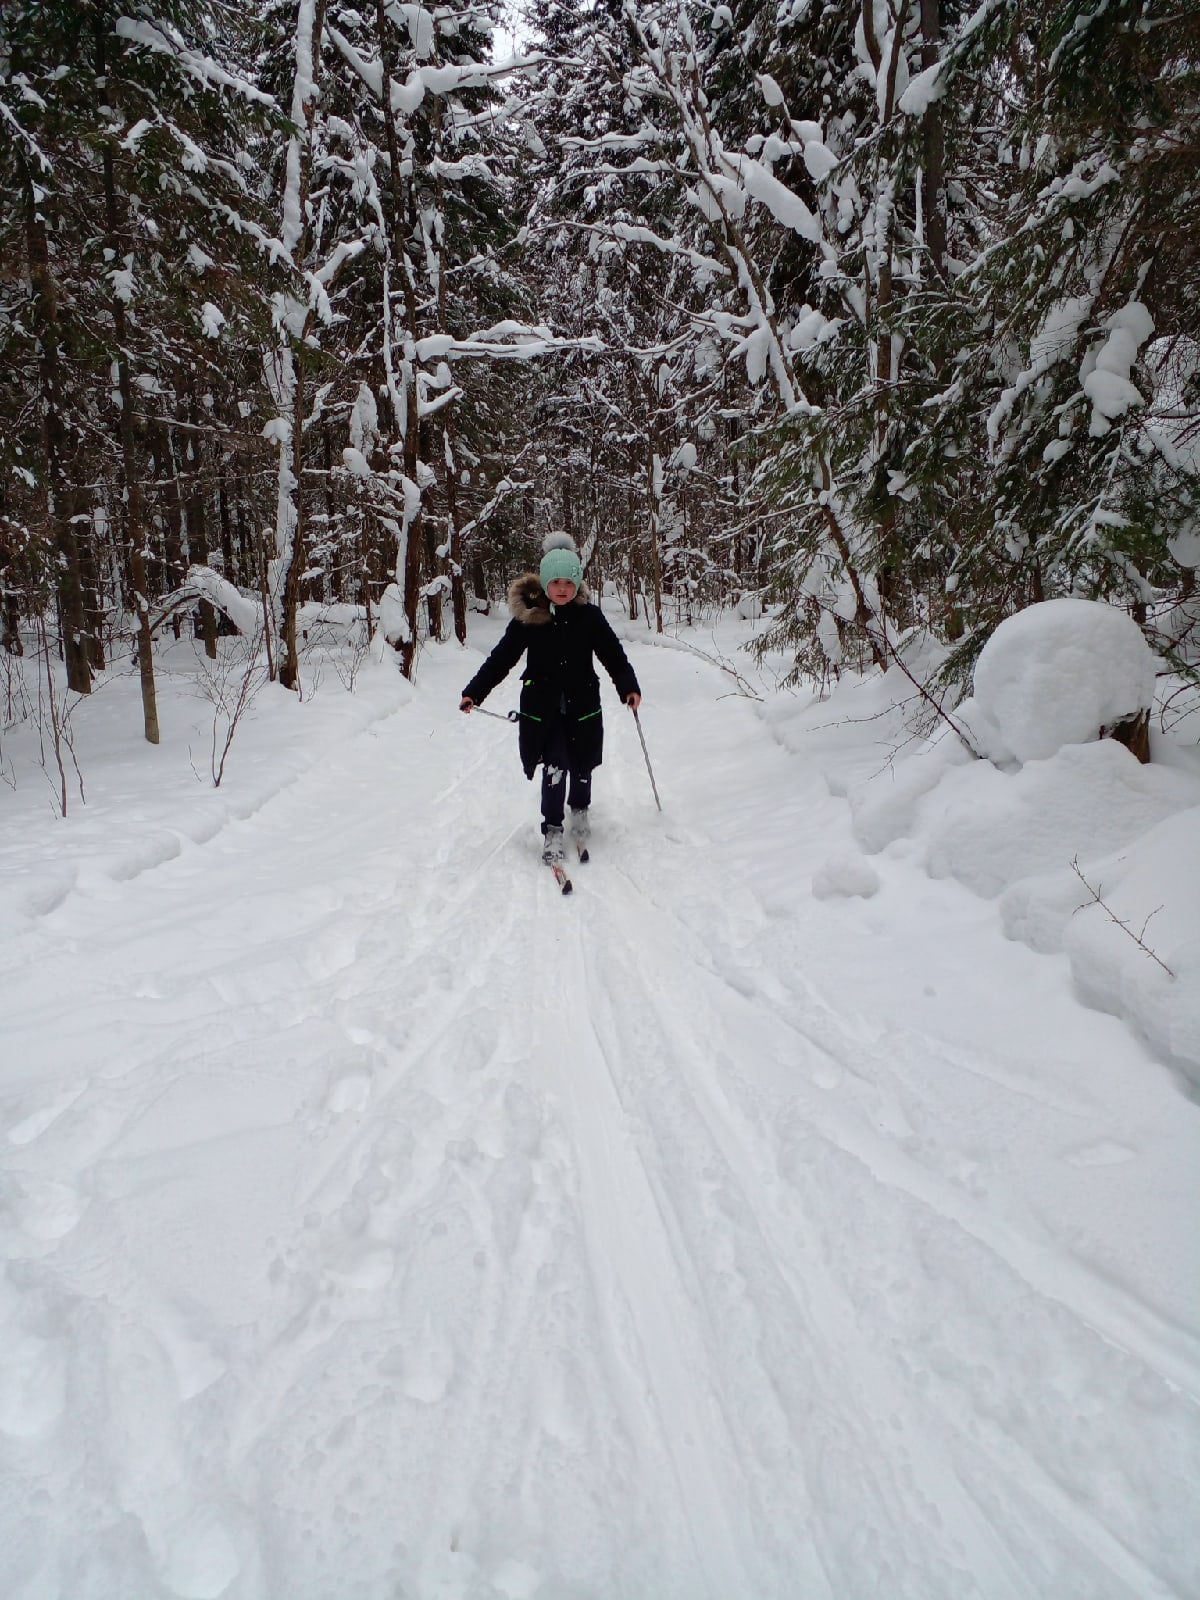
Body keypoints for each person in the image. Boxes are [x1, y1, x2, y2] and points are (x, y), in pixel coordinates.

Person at [460, 534, 641, 863]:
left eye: (569, 582)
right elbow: (501, 658)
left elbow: (613, 654)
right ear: (545, 583)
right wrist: (475, 691)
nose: (562, 588)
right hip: (545, 710)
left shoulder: (589, 617)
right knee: (556, 766)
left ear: (577, 584)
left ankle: (581, 808)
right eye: (556, 582)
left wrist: (628, 686)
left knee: (583, 763)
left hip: (582, 704)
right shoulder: (529, 620)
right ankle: (553, 828)